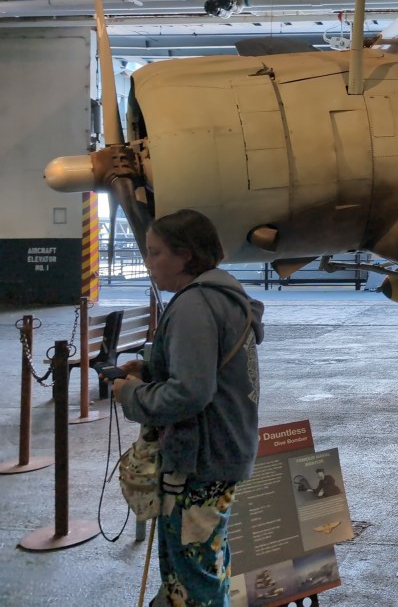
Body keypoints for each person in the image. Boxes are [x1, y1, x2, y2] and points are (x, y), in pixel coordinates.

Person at [111, 208, 264, 607]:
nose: (148, 263)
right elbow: (205, 370)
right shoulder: (225, 296)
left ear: (185, 255)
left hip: (200, 460)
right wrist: (149, 370)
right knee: (206, 563)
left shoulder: (194, 305)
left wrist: (131, 395)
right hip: (224, 452)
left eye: (155, 252)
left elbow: (190, 393)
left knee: (193, 576)